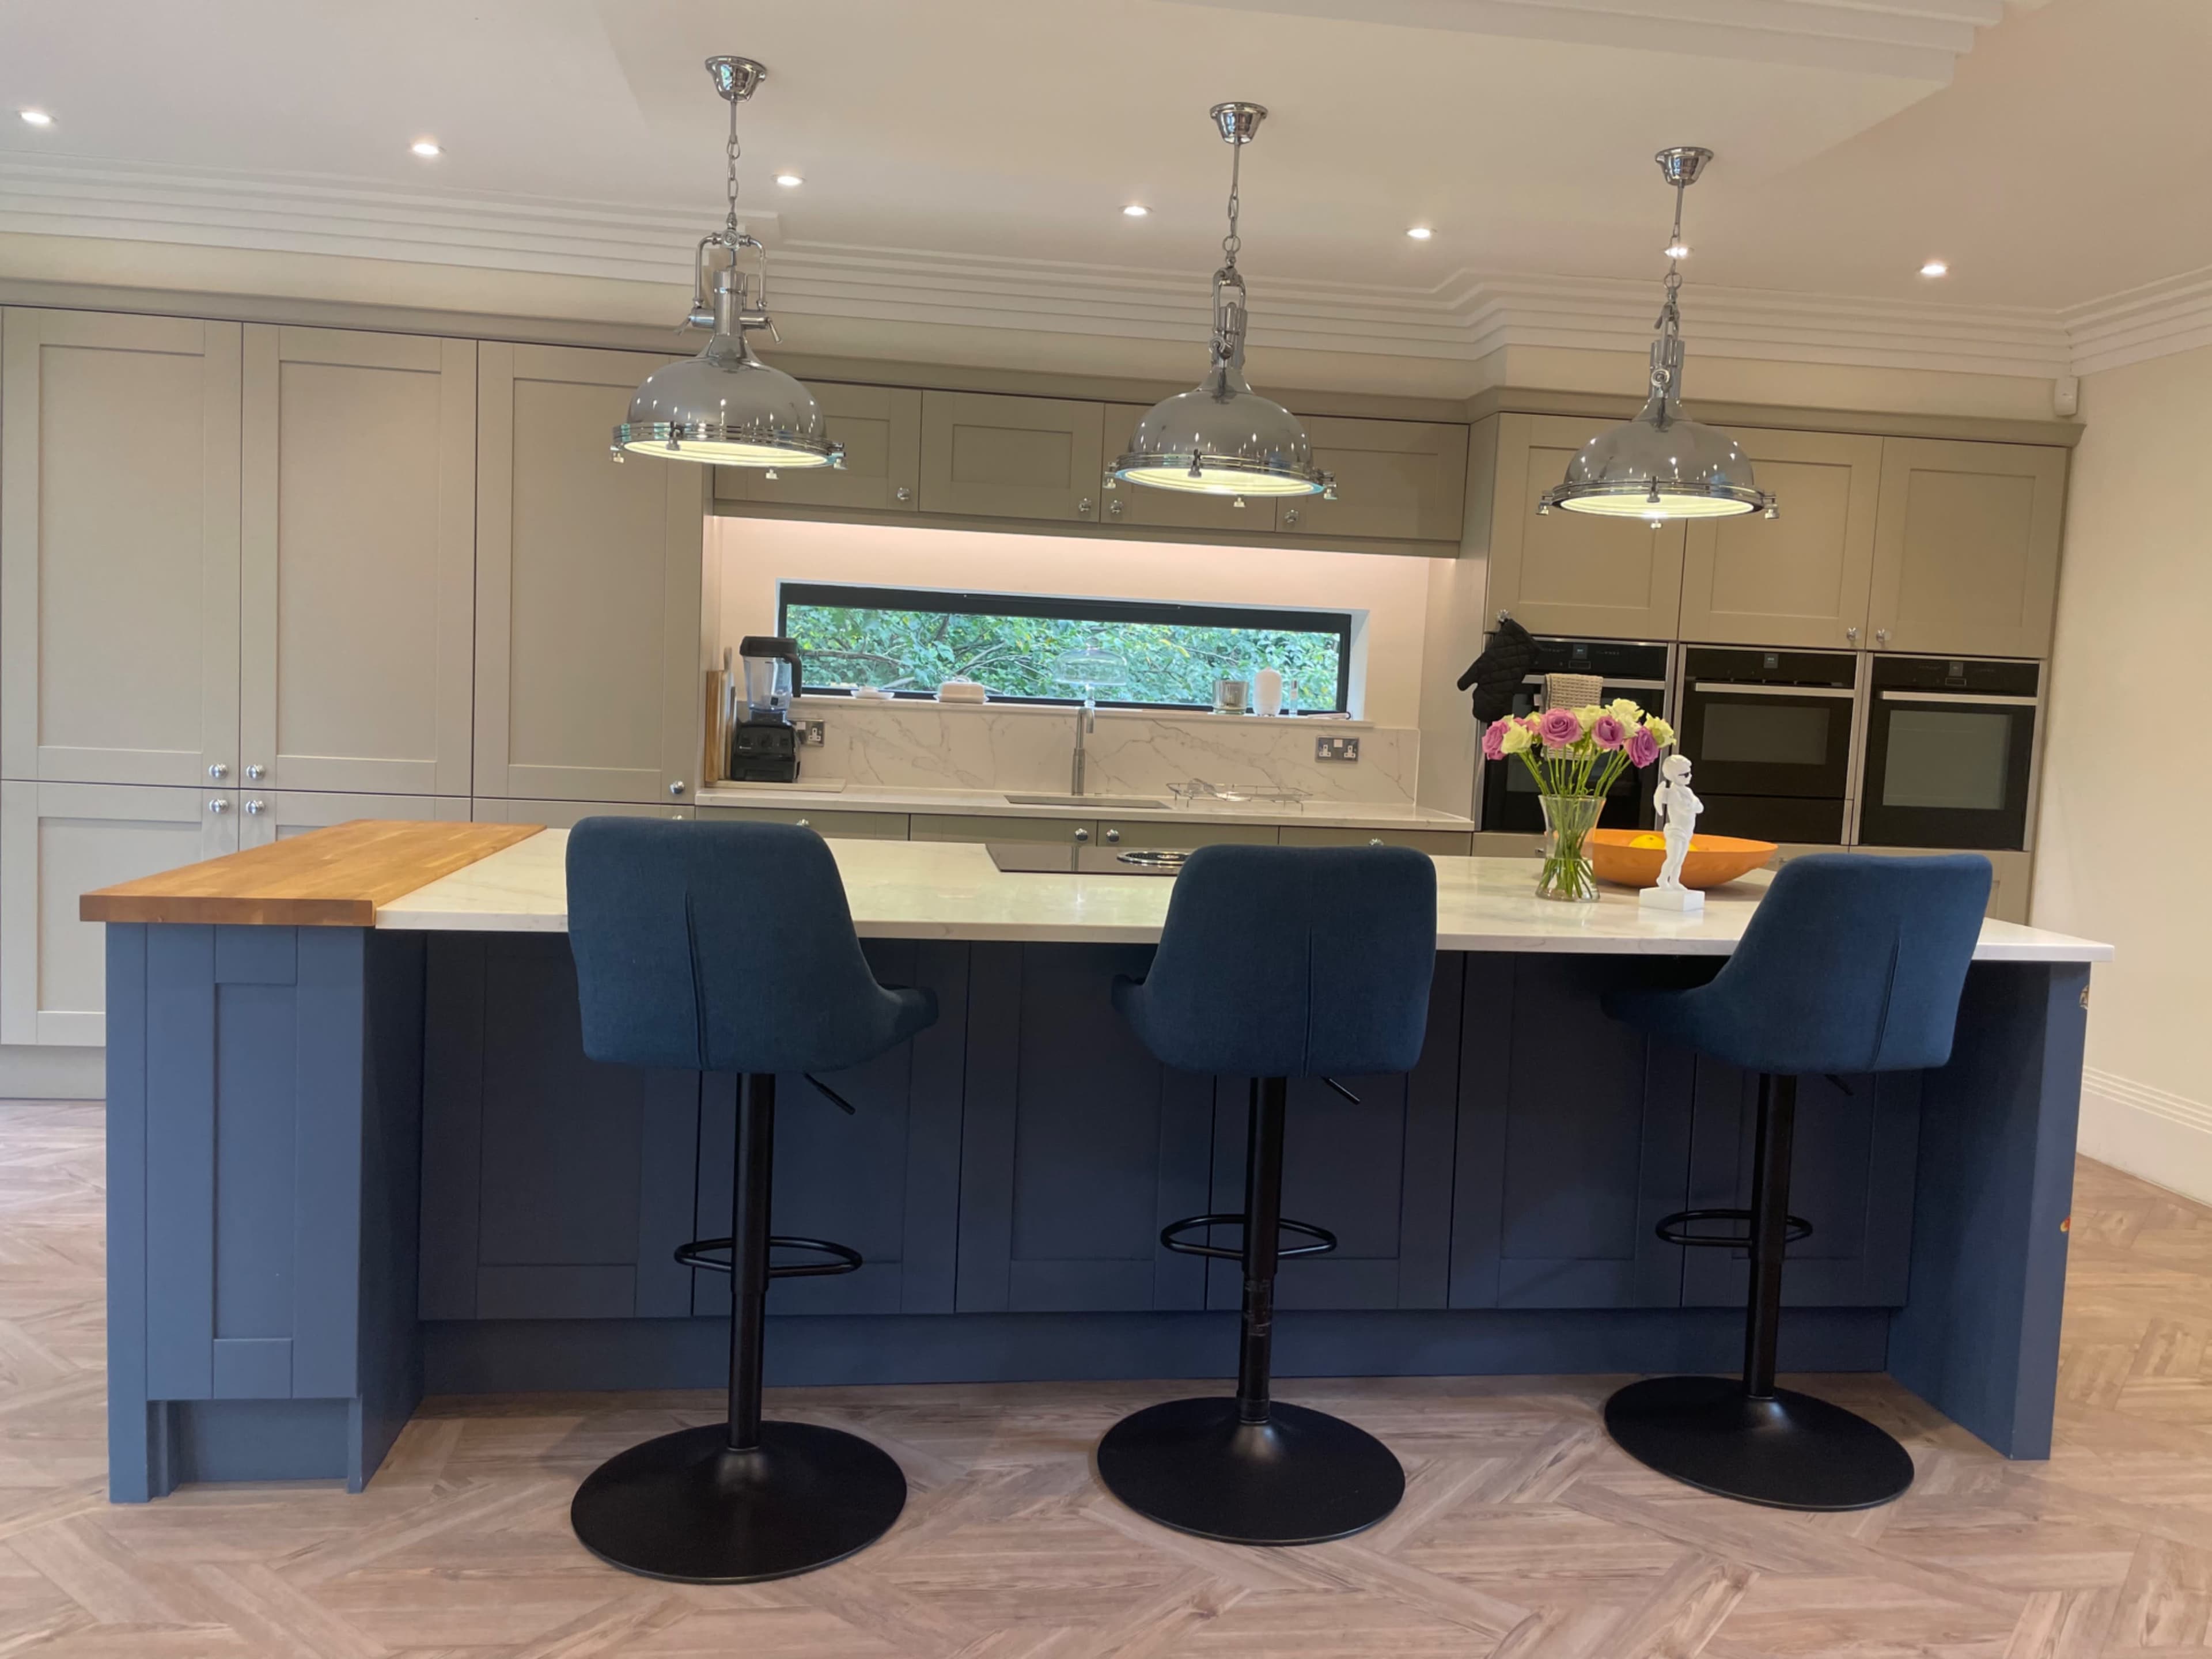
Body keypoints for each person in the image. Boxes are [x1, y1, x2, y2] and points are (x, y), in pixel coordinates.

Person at [1653, 753, 1702, 892]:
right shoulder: (1674, 792)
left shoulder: (1688, 791)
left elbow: (1700, 808)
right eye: (1685, 775)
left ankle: (1674, 881)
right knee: (1673, 858)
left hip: (1687, 832)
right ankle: (1662, 879)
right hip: (1676, 831)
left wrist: (1693, 804)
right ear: (1673, 776)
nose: (1689, 776)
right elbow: (1685, 808)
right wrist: (1693, 804)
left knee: (1680, 860)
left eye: (1690, 773)